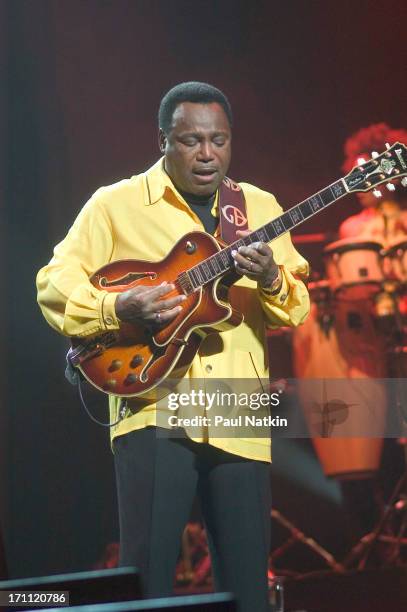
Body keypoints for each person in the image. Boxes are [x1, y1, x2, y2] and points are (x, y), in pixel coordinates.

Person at [36, 81, 310, 611]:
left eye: (219, 140)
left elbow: (294, 308)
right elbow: (52, 281)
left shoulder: (255, 206)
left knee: (248, 589)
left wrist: (273, 277)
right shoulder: (114, 205)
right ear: (163, 140)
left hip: (238, 409)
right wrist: (117, 308)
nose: (207, 153)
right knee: (146, 580)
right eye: (191, 141)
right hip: (152, 402)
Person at [339, 122, 407, 245]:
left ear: (391, 174)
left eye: (366, 178)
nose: (358, 188)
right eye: (355, 179)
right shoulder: (351, 228)